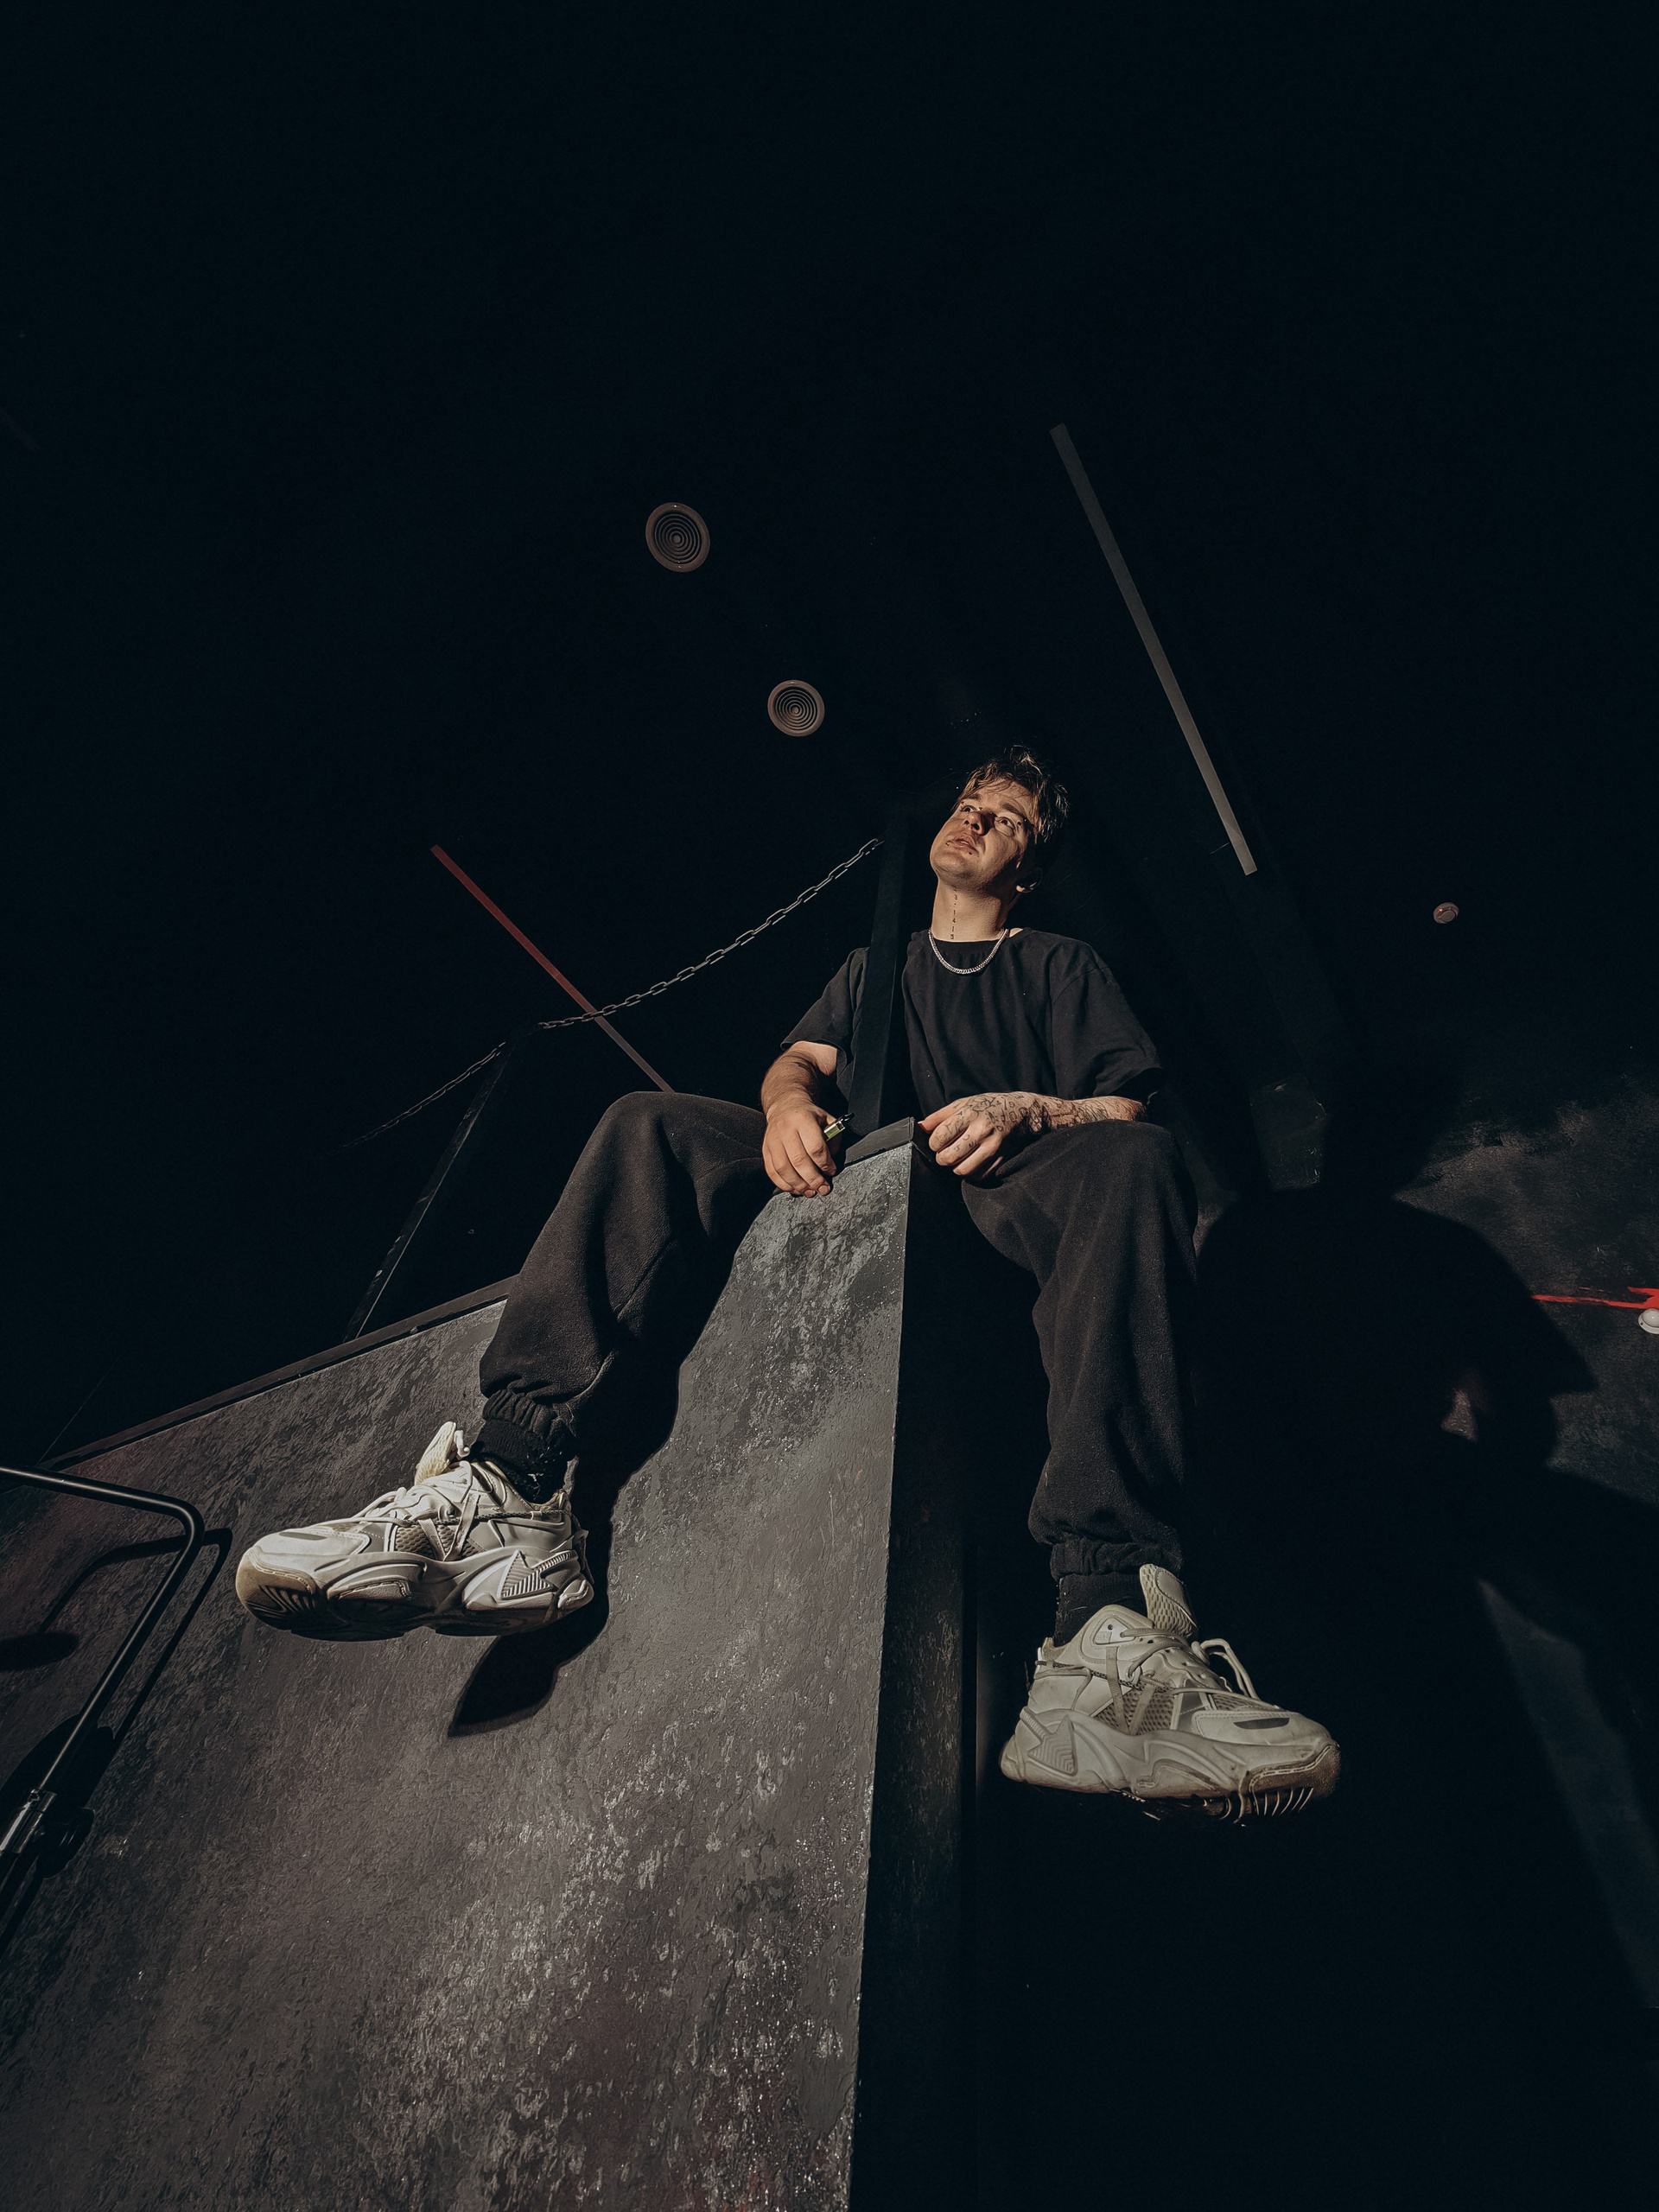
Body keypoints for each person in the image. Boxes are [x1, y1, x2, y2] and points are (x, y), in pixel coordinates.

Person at [236, 748, 1338, 1815]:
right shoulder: (875, 968)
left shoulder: (1058, 965)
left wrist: (1027, 1107)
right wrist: (786, 1109)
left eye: (1003, 818)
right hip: (858, 1164)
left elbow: (1122, 1102)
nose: (973, 818)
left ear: (1027, 867)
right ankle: (510, 1486)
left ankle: (1103, 1630)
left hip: (999, 1180)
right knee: (647, 1122)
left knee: (1136, 1161)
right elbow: (799, 1061)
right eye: (970, 800)